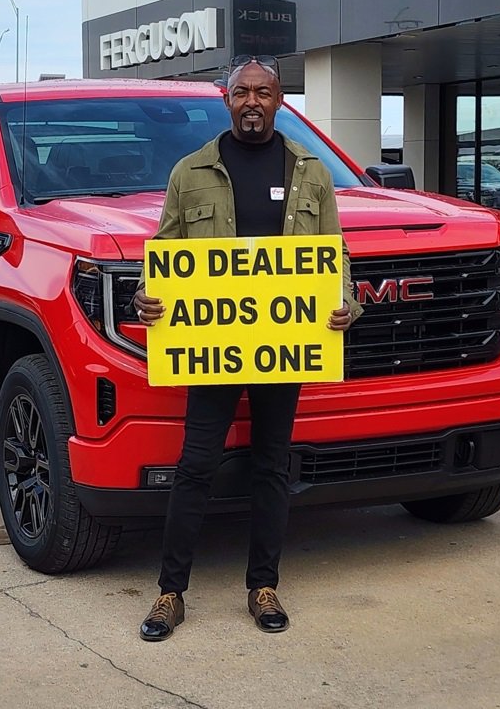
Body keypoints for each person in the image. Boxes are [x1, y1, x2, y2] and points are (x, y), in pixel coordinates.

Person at [131, 54, 362, 642]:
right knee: (196, 465)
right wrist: (146, 297)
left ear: (280, 100)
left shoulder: (310, 172)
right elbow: (162, 251)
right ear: (227, 101)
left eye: (263, 91)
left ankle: (263, 586)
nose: (252, 101)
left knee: (270, 465)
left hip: (284, 346)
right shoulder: (191, 171)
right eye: (242, 92)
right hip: (212, 345)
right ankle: (170, 593)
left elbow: (334, 255)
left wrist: (346, 304)